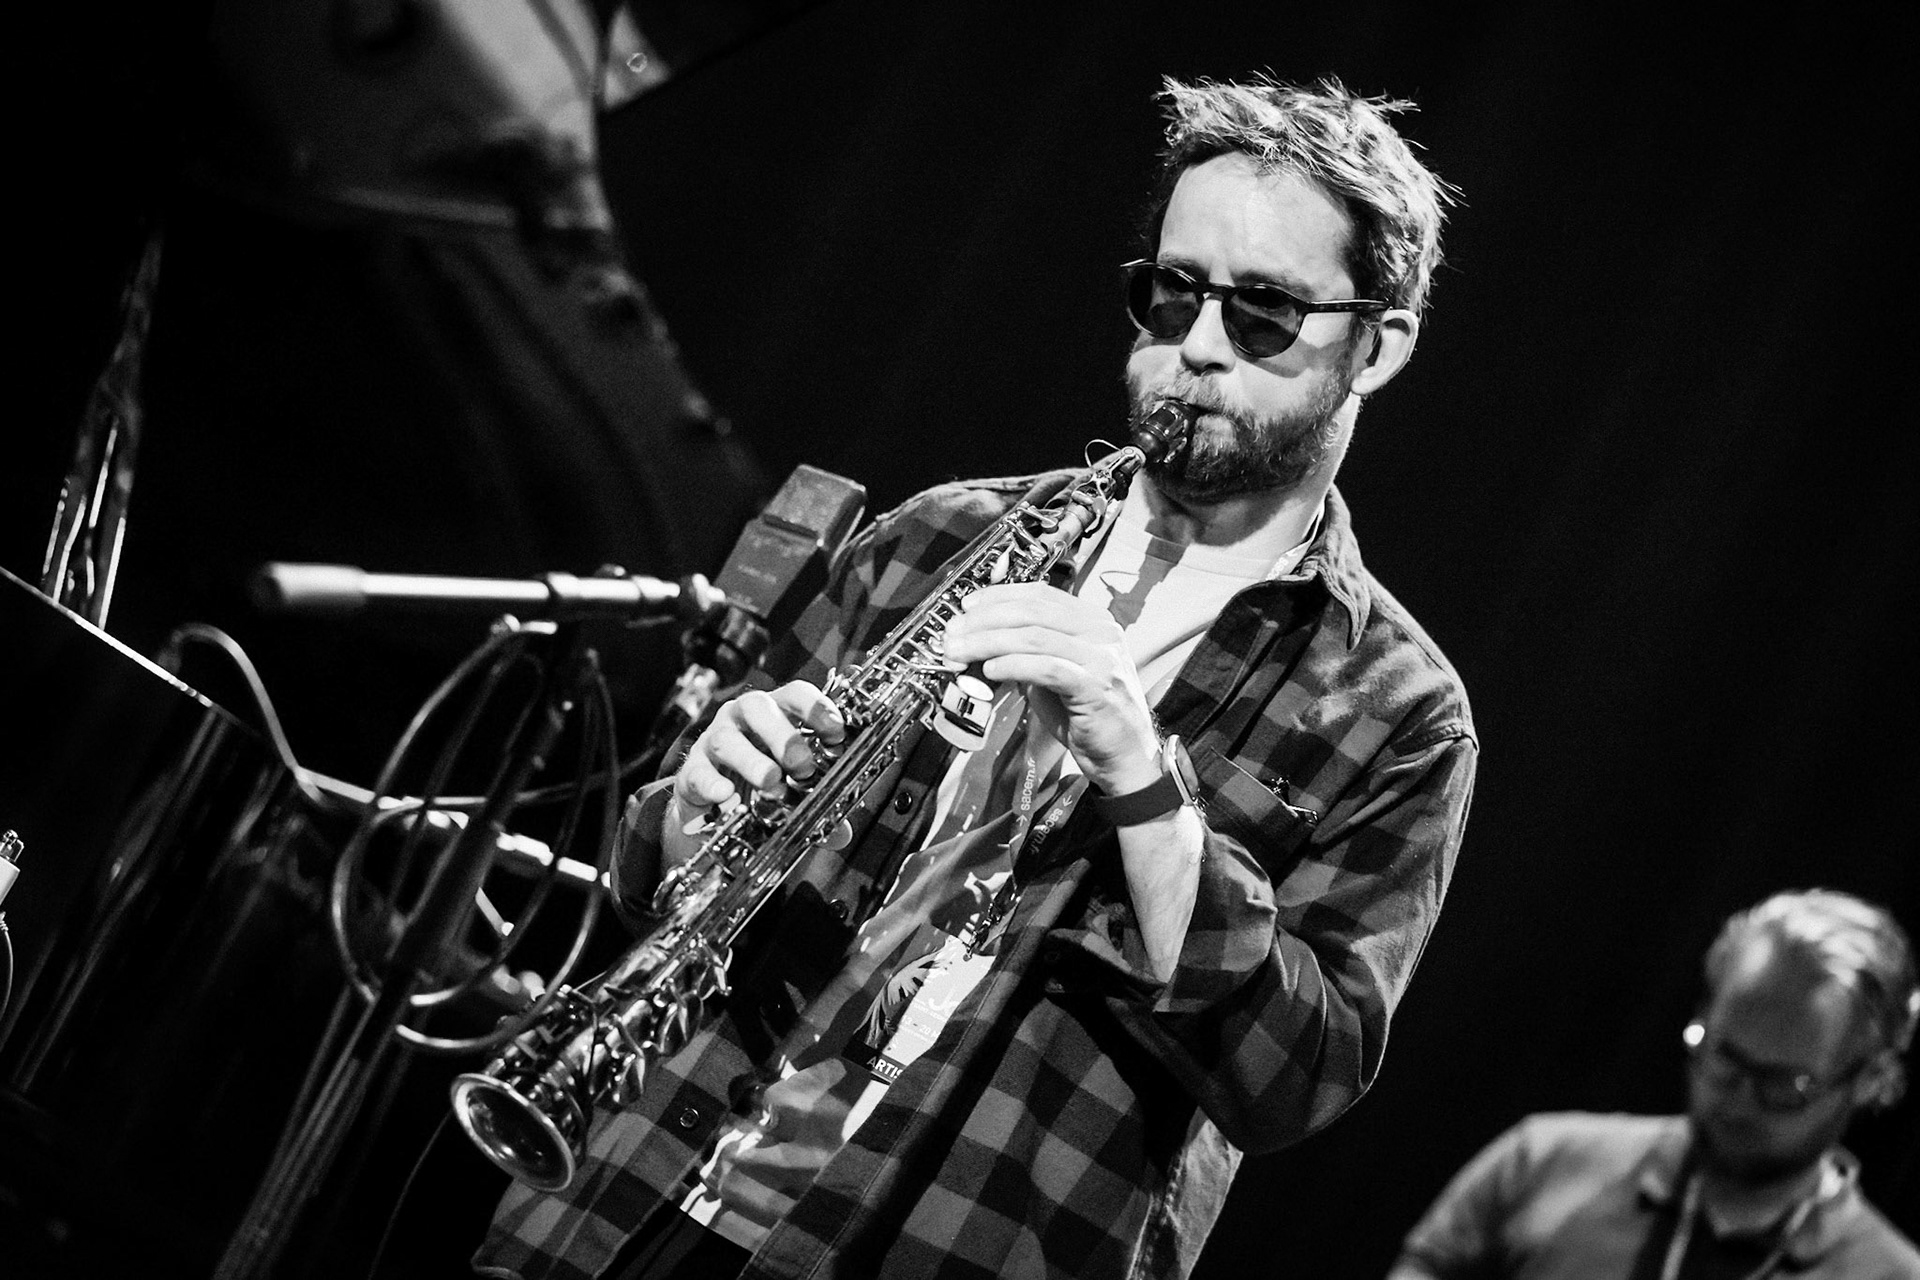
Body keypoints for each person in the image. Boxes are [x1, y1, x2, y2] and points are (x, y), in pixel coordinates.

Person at [475, 74, 1476, 1280]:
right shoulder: (940, 535)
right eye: (1175, 293)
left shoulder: (1401, 711)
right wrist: (696, 804)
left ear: (1378, 345)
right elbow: (653, 868)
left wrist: (1142, 779)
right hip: (628, 1195)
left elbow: (1293, 1077)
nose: (1199, 346)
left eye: (1264, 311)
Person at [1390, 889, 1920, 1280]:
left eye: (1783, 1084)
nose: (1737, 1099)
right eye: (1724, 1057)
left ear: (1875, 1081)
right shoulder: (1542, 1161)